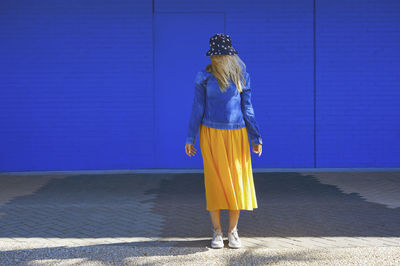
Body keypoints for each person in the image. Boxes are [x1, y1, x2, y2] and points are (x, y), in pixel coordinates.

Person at [184, 33, 263, 249]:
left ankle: (233, 231)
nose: (218, 59)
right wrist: (190, 137)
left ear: (230, 55)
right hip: (210, 134)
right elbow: (197, 108)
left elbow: (247, 108)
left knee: (236, 183)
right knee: (215, 183)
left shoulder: (241, 75)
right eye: (216, 55)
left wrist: (256, 137)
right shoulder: (204, 77)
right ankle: (217, 232)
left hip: (237, 135)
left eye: (222, 55)